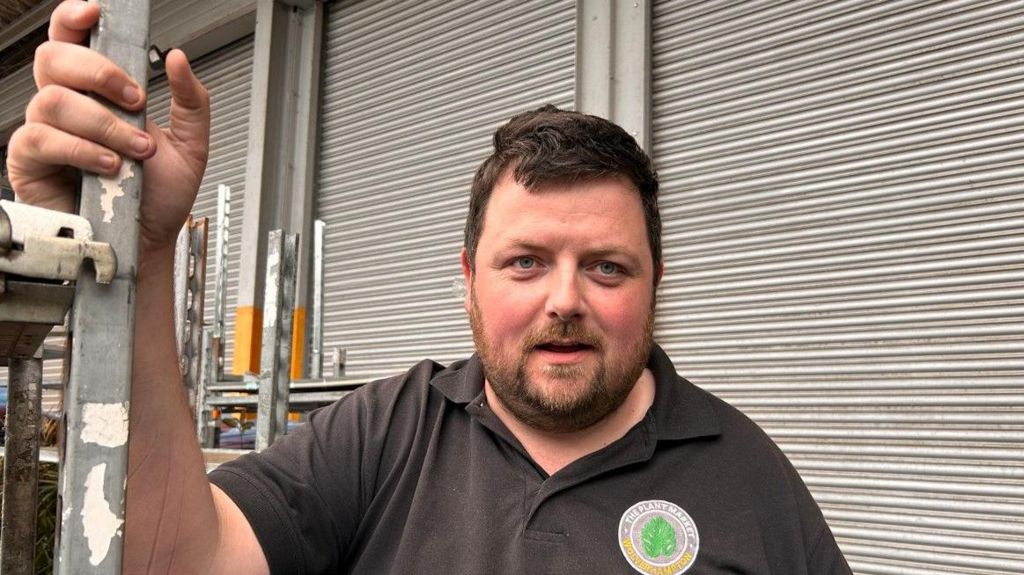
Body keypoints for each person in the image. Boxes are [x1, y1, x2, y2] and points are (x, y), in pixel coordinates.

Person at [7, 2, 852, 573]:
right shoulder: (386, 436)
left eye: (607, 266)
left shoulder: (751, 479)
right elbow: (175, 559)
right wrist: (144, 258)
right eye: (525, 262)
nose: (565, 298)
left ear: (656, 284)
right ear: (466, 280)